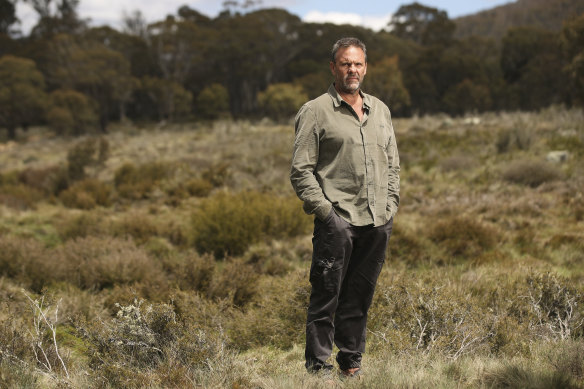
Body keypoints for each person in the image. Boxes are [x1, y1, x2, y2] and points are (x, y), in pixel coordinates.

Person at [290, 37, 400, 378]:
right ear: (333, 67)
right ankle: (319, 370)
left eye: (357, 64)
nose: (352, 69)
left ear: (365, 68)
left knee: (360, 296)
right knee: (326, 296)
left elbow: (393, 164)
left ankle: (350, 363)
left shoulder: (380, 110)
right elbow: (301, 171)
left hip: (377, 219)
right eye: (344, 63)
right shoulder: (315, 111)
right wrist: (327, 214)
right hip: (337, 221)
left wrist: (390, 203)